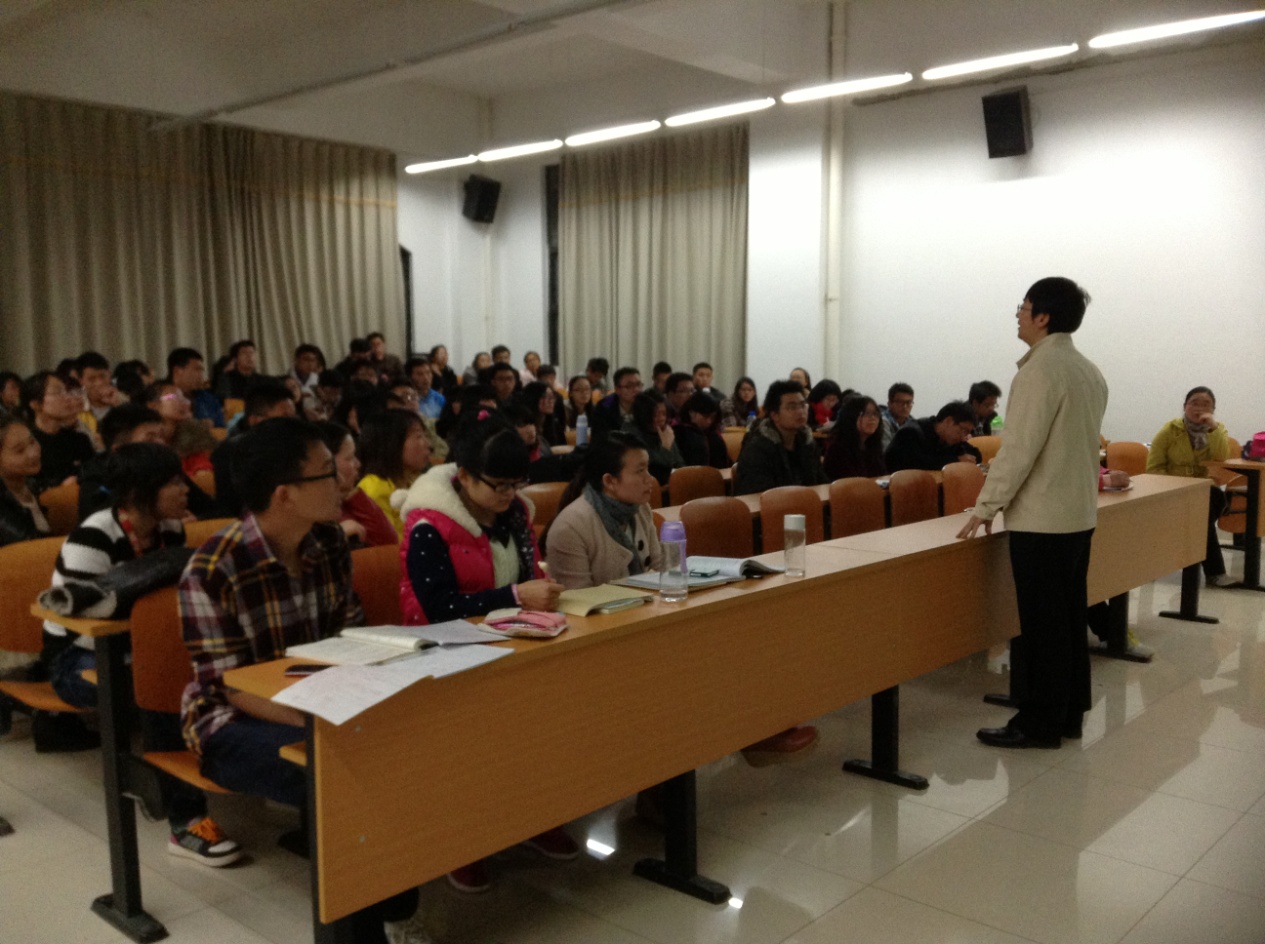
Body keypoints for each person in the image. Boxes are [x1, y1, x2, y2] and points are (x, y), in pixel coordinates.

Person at [179, 418, 428, 941]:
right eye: (327, 472)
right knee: (340, 776)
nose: (344, 482)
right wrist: (322, 717)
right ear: (285, 494)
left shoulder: (329, 541)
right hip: (230, 721)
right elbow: (230, 686)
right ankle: (365, 930)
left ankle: (393, 906)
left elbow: (349, 635)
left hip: (321, 698)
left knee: (405, 745)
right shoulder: (213, 569)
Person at [40, 442, 243, 862]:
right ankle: (185, 822)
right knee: (161, 691)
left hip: (134, 651)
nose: (185, 489)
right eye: (173, 482)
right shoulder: (94, 536)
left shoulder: (170, 530)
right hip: (75, 659)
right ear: (139, 492)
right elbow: (78, 618)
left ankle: (223, 774)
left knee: (201, 676)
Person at [396, 415, 575, 892]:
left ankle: (534, 818)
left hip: (510, 642)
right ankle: (462, 843)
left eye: (516, 484)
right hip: (444, 653)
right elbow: (437, 608)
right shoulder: (429, 525)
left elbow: (526, 574)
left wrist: (539, 590)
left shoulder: (515, 513)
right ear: (464, 476)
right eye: (498, 485)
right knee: (473, 747)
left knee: (545, 724)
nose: (509, 495)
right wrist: (515, 597)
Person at [958, 276, 1109, 750]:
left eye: (1022, 308)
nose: (1018, 317)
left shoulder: (1039, 372)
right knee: (1068, 619)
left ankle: (1039, 723)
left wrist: (986, 506)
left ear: (1043, 316)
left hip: (1042, 520)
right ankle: (1068, 714)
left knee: (1043, 625)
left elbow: (1019, 449)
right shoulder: (1088, 370)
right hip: (1077, 516)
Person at [545, 432, 662, 587]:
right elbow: (577, 597)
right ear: (609, 481)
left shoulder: (641, 509)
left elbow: (661, 570)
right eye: (640, 471)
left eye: (647, 468)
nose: (649, 478)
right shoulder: (570, 527)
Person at [1146, 386, 1234, 588]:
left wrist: (1212, 428)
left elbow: (1222, 457)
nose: (1199, 408)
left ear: (1213, 410)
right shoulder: (1170, 430)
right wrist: (1175, 486)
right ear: (1185, 406)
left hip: (1201, 490)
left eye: (1206, 405)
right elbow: (1154, 468)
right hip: (1172, 490)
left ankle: (1203, 567)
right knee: (1201, 516)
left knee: (1208, 504)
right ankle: (1215, 573)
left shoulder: (1217, 429)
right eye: (1194, 403)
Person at [733, 380, 827, 495]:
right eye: (792, 407)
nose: (801, 412)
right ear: (775, 415)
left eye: (803, 405)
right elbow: (757, 495)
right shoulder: (757, 449)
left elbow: (821, 483)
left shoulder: (808, 444)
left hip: (803, 503)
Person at [315, 420, 397, 548]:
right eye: (350, 458)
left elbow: (389, 542)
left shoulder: (348, 500)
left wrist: (354, 495)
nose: (358, 464)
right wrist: (336, 536)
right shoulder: (314, 514)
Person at [357, 410, 431, 538]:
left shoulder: (414, 481)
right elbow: (390, 542)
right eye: (419, 436)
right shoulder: (375, 488)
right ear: (392, 443)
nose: (428, 444)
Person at [22, 370, 97, 492]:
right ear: (35, 404)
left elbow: (95, 477)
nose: (67, 398)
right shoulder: (25, 443)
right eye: (57, 392)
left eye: (66, 392)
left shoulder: (79, 440)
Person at [884, 401, 981, 472]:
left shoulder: (949, 439)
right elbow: (918, 465)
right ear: (948, 421)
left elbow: (976, 455)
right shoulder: (911, 433)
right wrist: (955, 460)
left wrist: (965, 458)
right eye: (964, 430)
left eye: (968, 432)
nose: (964, 436)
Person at [0, 414, 50, 546]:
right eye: (20, 450)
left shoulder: (35, 484)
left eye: (32, 442)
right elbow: (31, 547)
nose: (33, 453)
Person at [823, 395, 886, 480]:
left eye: (875, 414)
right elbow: (852, 483)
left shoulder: (873, 446)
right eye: (867, 413)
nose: (873, 418)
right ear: (852, 416)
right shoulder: (838, 449)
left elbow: (882, 477)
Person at [629, 391, 683, 485]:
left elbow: (680, 464)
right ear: (644, 415)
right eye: (655, 415)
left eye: (664, 414)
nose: (662, 418)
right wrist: (666, 447)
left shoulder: (665, 431)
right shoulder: (632, 435)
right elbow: (655, 471)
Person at [167, 348, 225, 428]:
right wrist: (198, 424)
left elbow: (221, 427)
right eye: (197, 370)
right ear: (177, 371)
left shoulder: (206, 398)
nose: (201, 376)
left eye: (202, 371)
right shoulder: (164, 395)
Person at [673, 392, 732, 470]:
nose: (709, 421)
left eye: (712, 417)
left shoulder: (713, 434)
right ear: (692, 413)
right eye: (705, 416)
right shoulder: (679, 432)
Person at [591, 366, 643, 442]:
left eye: (638, 384)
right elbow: (599, 440)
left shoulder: (647, 406)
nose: (636, 389)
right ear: (617, 389)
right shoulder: (604, 408)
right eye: (629, 386)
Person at [520, 381, 565, 447]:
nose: (551, 400)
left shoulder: (555, 424)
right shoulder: (523, 427)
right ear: (533, 398)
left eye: (552, 396)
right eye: (544, 396)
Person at [879, 382, 915, 452]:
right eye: (900, 402)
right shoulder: (882, 422)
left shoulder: (913, 424)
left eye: (908, 403)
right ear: (889, 404)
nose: (905, 407)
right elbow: (887, 451)